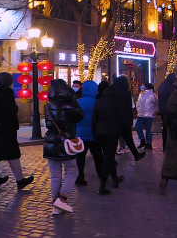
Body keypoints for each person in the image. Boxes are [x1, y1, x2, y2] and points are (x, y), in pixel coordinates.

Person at [0, 72, 34, 196]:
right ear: (10, 82)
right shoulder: (8, 95)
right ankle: (20, 181)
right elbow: (11, 114)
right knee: (13, 156)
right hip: (6, 130)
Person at [44, 79, 84, 214]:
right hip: (65, 141)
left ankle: (55, 204)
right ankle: (61, 200)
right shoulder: (69, 105)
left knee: (55, 175)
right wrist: (74, 100)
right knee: (72, 171)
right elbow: (80, 116)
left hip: (50, 141)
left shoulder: (47, 104)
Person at [92, 76, 132, 196]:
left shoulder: (99, 101)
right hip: (112, 133)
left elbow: (94, 119)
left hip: (100, 133)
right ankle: (102, 185)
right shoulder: (117, 101)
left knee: (108, 156)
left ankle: (114, 179)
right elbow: (123, 118)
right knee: (109, 158)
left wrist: (95, 134)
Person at [74, 80, 102, 186]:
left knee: (80, 158)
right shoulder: (97, 102)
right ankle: (101, 175)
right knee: (98, 156)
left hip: (80, 134)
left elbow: (74, 118)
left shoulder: (78, 102)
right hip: (94, 134)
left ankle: (80, 177)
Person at [158, 73, 177, 151]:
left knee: (165, 128)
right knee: (170, 128)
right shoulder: (170, 86)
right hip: (169, 110)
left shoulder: (162, 84)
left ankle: (164, 145)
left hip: (163, 110)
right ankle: (170, 146)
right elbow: (174, 97)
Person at [135, 83, 157, 150]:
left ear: (146, 86)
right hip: (140, 115)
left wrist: (154, 111)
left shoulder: (152, 95)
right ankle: (142, 141)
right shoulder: (141, 94)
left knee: (148, 130)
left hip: (148, 115)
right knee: (137, 126)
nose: (142, 86)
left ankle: (149, 143)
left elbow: (156, 103)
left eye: (143, 85)